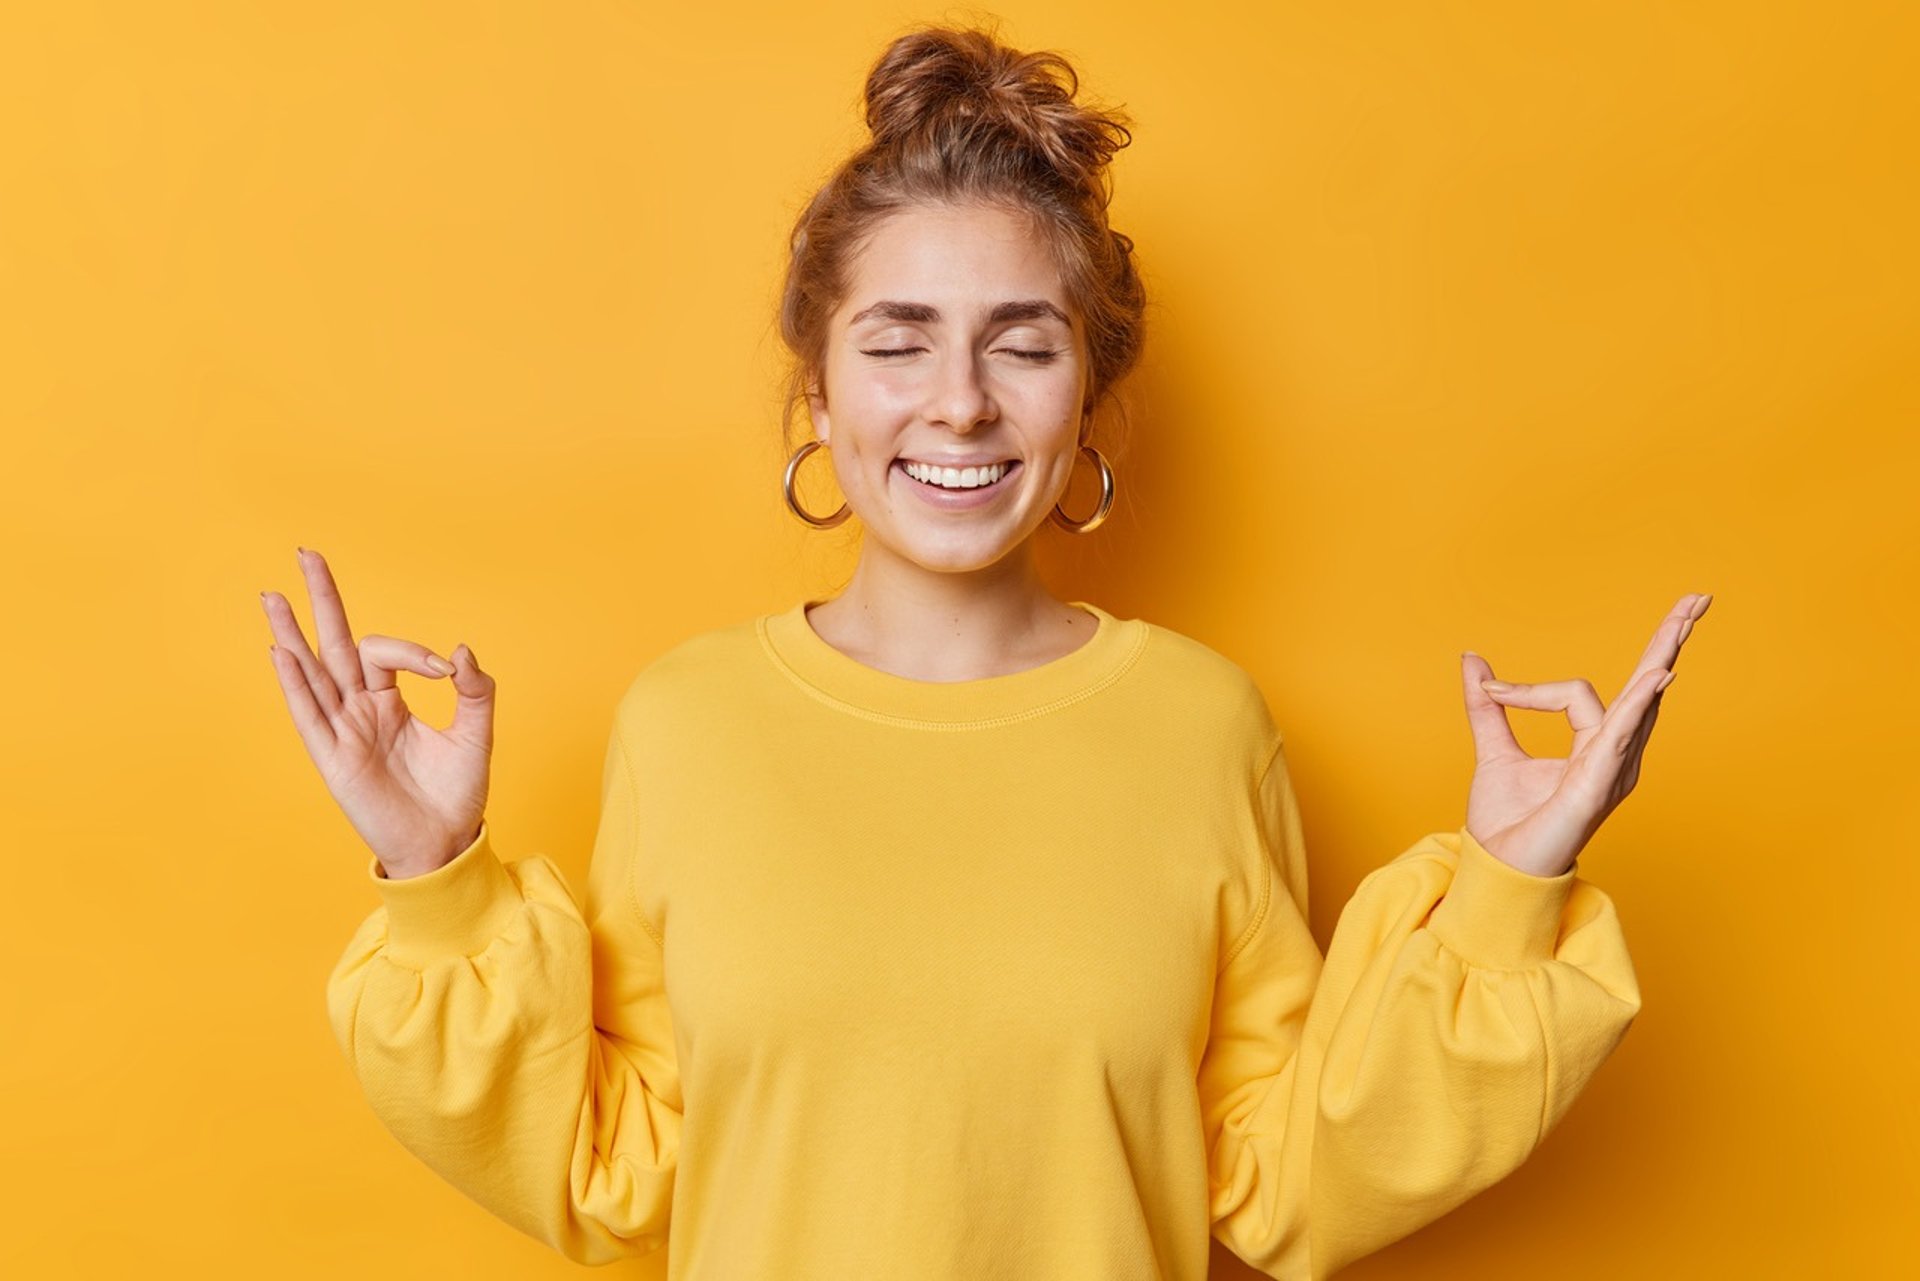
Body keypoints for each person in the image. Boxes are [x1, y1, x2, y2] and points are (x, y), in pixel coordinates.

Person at [261, 21, 1709, 1281]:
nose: (958, 403)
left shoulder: (1205, 726)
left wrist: (1511, 893)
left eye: (1023, 343)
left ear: (1091, 399)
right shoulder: (686, 721)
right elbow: (620, 1158)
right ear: (817, 396)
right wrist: (437, 887)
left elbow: (1283, 1174)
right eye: (898, 341)